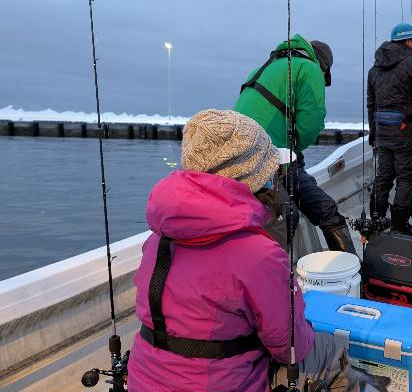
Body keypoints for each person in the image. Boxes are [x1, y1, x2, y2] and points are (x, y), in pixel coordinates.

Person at [127, 110, 388, 392]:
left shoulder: (157, 239)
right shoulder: (259, 253)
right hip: (225, 384)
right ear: (253, 175)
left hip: (145, 381)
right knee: (329, 348)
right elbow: (291, 347)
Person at [234, 34, 356, 254]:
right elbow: (310, 124)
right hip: (270, 156)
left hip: (236, 155)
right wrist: (295, 149)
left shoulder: (265, 67)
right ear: (323, 66)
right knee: (319, 211)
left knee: (283, 209)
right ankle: (351, 272)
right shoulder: (310, 69)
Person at [367, 23, 412, 235]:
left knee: (383, 177)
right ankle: (399, 226)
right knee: (406, 179)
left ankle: (376, 220)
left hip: (382, 132)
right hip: (406, 132)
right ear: (410, 41)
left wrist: (374, 133)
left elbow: (372, 104)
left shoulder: (375, 68)